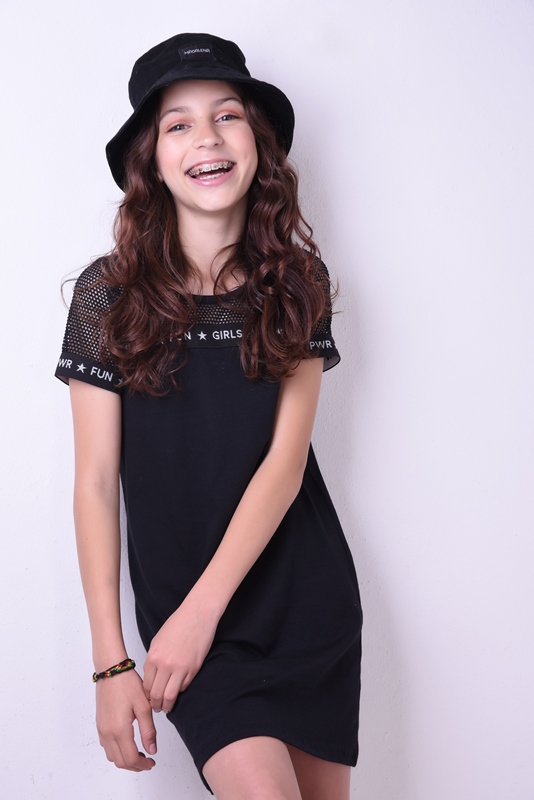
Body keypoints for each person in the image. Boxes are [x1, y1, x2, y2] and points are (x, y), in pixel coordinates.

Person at [56, 32, 362, 800]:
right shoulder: (107, 295)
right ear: (152, 162)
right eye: (179, 123)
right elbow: (94, 482)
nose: (208, 138)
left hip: (304, 603)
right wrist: (111, 662)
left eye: (227, 115)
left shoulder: (298, 283)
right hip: (192, 627)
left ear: (257, 143)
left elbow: (285, 466)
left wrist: (201, 612)